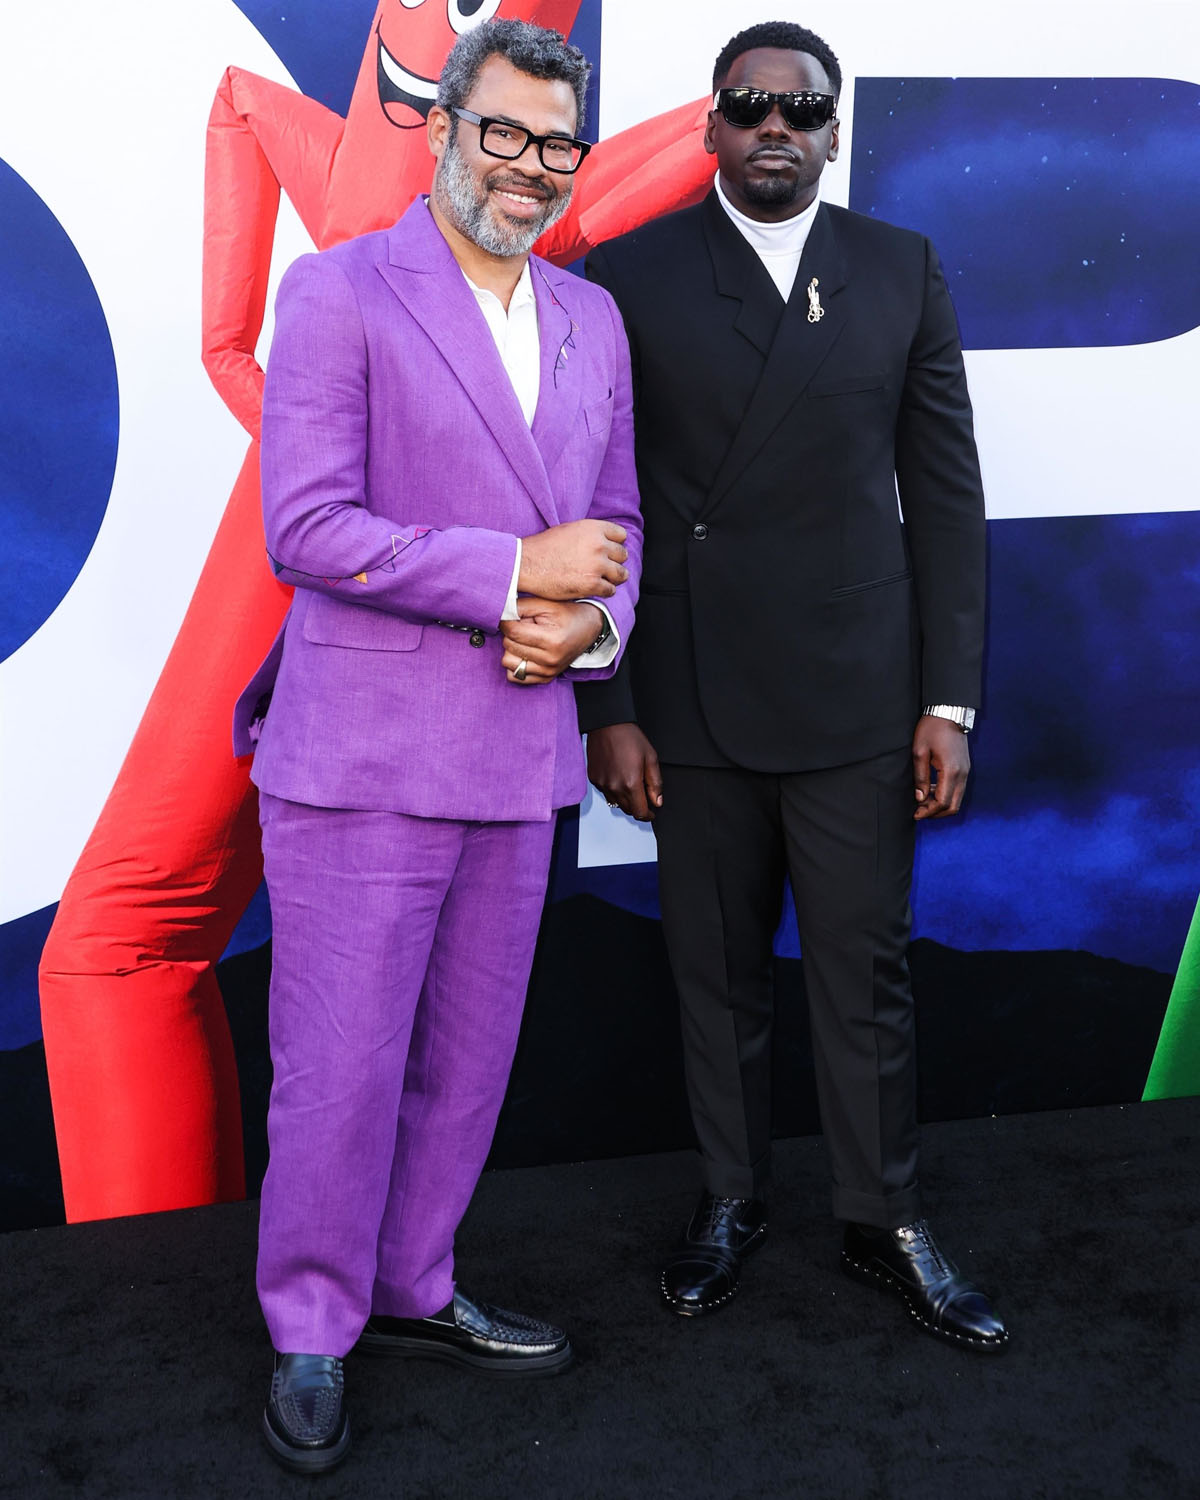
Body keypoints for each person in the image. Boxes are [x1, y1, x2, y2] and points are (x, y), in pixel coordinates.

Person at [238, 19, 641, 1473]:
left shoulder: (593, 322)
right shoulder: (338, 290)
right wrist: (515, 576)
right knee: (339, 1068)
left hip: (517, 756)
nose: (530, 164)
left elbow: (619, 527)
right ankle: (311, 1324)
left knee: (466, 1063)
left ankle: (413, 1284)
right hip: (361, 760)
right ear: (444, 132)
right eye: (505, 132)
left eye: (557, 143)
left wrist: (585, 631)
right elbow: (307, 526)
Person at [579, 20, 1007, 1353]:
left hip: (859, 694)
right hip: (690, 695)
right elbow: (595, 501)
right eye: (751, 105)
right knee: (713, 978)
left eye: (802, 108)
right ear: (713, 123)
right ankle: (731, 1198)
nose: (776, 127)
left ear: (832, 129)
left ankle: (885, 1218)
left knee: (864, 974)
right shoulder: (628, 275)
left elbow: (945, 500)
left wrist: (949, 701)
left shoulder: (901, 268)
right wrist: (610, 706)